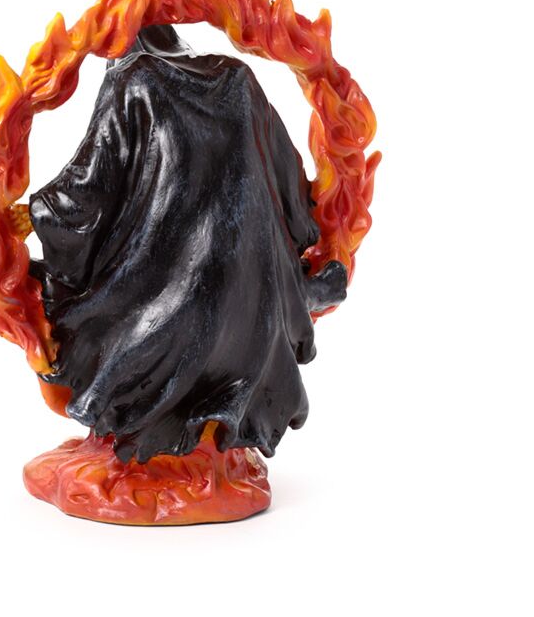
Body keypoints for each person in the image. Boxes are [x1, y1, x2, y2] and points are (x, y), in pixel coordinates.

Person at [28, 25, 346, 464]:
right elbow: (291, 188)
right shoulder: (238, 78)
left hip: (162, 322)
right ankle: (299, 292)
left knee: (76, 317)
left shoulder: (132, 80)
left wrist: (35, 211)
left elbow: (86, 193)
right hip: (256, 308)